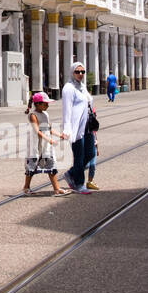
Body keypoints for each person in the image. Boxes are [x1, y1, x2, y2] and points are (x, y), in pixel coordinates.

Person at [22, 92, 68, 196]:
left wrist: (60, 135)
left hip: (46, 146)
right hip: (36, 146)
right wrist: (49, 139)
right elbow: (37, 131)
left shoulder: (46, 114)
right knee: (32, 166)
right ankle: (26, 187)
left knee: (51, 164)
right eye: (45, 104)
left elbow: (49, 129)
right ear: (37, 104)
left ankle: (56, 189)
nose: (47, 105)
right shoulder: (33, 115)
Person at [60, 61, 93, 194]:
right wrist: (67, 129)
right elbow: (67, 110)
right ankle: (79, 184)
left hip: (87, 126)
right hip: (76, 127)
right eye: (77, 72)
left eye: (82, 72)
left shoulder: (82, 87)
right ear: (72, 72)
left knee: (90, 153)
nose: (80, 74)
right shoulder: (68, 88)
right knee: (79, 156)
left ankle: (71, 173)